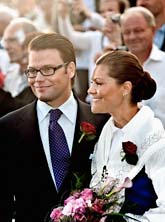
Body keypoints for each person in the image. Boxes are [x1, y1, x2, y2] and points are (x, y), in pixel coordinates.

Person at [0, 33, 109, 222]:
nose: (38, 79)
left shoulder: (102, 122)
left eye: (48, 69)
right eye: (32, 71)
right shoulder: (7, 127)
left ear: (71, 69)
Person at [88, 50, 165, 221]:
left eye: (99, 83)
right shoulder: (105, 132)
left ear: (125, 88)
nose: (90, 90)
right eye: (92, 82)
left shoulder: (156, 139)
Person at [120, 6, 165, 127]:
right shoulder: (115, 68)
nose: (133, 37)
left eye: (138, 30)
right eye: (127, 32)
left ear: (153, 31)